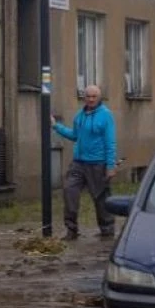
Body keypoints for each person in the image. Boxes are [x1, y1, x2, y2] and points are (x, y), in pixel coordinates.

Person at [52, 84, 118, 240]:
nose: (91, 99)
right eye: (88, 96)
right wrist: (56, 126)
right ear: (84, 98)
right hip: (79, 163)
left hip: (98, 163)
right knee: (69, 190)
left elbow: (110, 142)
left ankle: (107, 229)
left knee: (100, 198)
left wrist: (110, 166)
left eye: (94, 96)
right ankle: (71, 229)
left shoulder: (106, 116)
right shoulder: (79, 116)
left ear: (99, 98)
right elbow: (75, 136)